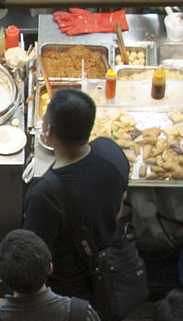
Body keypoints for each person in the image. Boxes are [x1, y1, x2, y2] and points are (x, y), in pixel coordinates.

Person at [22, 88, 130, 300]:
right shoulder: (111, 152)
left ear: (49, 130)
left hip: (66, 291)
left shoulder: (45, 194)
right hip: (104, 271)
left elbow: (34, 259)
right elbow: (121, 202)